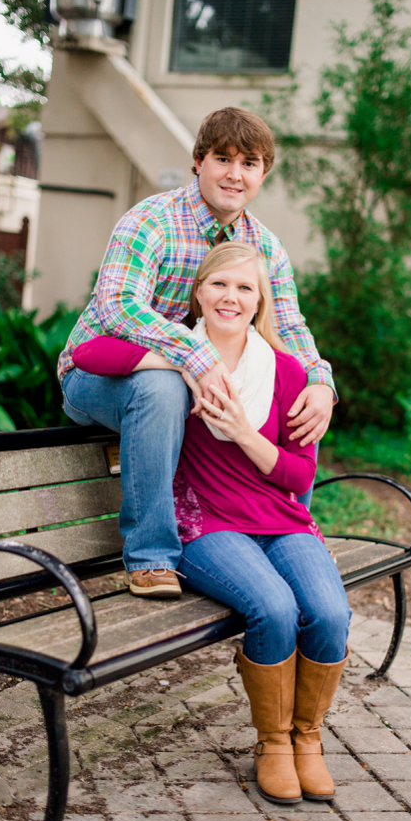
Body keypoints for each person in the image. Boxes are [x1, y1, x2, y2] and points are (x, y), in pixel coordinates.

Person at [72, 242, 351, 806]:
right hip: (207, 524)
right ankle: (273, 743)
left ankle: (308, 739)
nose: (231, 297)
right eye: (220, 284)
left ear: (260, 302)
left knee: (329, 613)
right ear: (197, 293)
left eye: (245, 288)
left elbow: (298, 477)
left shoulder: (286, 371)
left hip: (281, 519)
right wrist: (178, 361)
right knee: (272, 608)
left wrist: (246, 431)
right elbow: (90, 356)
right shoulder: (181, 354)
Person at [59, 107, 335, 599]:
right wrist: (195, 355)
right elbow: (118, 308)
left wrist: (320, 382)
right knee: (163, 387)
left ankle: (289, 540)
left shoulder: (265, 248)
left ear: (263, 174)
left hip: (196, 384)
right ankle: (151, 558)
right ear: (198, 162)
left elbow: (288, 325)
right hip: (103, 375)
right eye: (222, 159)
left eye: (249, 163)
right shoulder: (151, 220)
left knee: (297, 395)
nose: (235, 174)